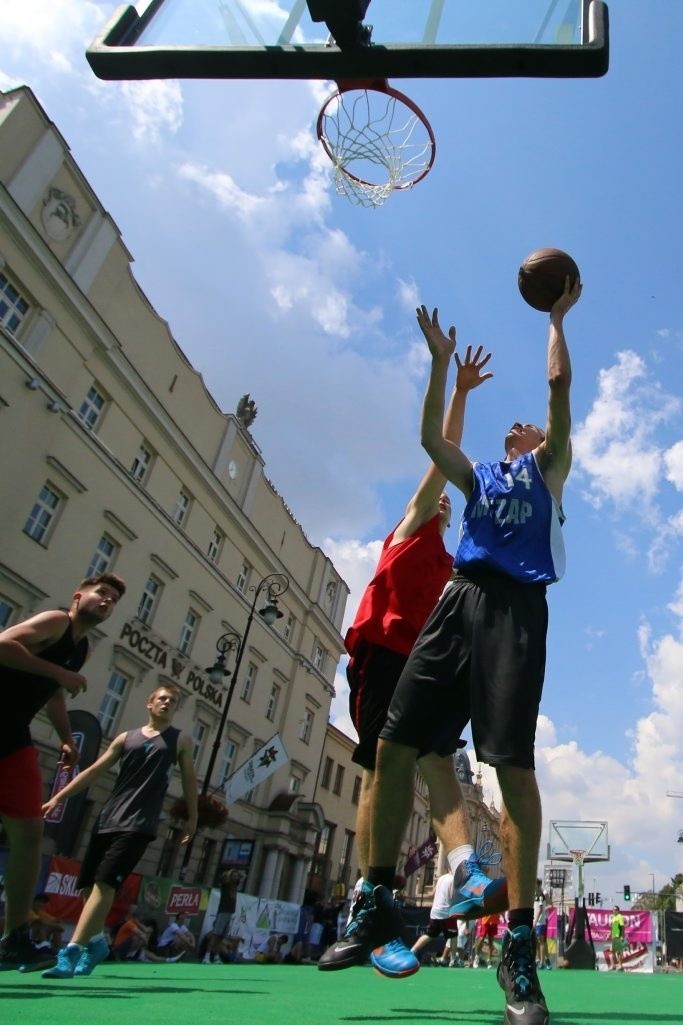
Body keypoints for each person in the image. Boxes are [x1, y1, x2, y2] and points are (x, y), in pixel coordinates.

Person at [319, 278, 581, 1025]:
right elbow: (434, 443)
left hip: (513, 609)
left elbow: (558, 390)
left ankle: (520, 946)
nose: (523, 427)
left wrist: (555, 319)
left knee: (511, 768)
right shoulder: (479, 479)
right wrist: (439, 365)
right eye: (518, 427)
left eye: (531, 428)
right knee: (394, 744)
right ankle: (373, 901)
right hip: (457, 602)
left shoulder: (549, 473)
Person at [344, 344, 493, 890]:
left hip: (420, 664)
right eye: (439, 497)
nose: (444, 501)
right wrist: (455, 384)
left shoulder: (449, 566)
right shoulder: (408, 532)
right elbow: (441, 449)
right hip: (382, 651)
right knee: (382, 768)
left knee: (437, 758)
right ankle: (372, 888)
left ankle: (463, 870)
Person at [0, 572, 125, 973]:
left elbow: (53, 694)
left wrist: (67, 738)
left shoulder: (81, 648)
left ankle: (14, 938)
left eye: (113, 599)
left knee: (30, 831)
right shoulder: (57, 622)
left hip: (13, 734)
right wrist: (60, 674)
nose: (106, 601)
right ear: (78, 596)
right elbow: (3, 644)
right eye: (101, 593)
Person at [40, 683, 198, 980]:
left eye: (173, 702)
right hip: (108, 817)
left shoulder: (181, 741)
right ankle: (98, 943)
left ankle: (71, 952)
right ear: (150, 704)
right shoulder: (126, 738)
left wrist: (193, 816)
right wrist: (59, 796)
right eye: (162, 699)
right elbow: (94, 770)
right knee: (87, 888)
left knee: (104, 885)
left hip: (139, 824)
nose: (167, 704)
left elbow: (190, 780)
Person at [410, 873, 461, 965]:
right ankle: (453, 960)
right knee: (453, 935)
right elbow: (452, 896)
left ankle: (412, 951)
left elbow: (433, 893)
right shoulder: (454, 880)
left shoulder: (441, 878)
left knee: (431, 934)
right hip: (447, 912)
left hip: (435, 911)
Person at [203, 868, 245, 964]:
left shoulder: (235, 885)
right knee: (216, 934)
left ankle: (216, 957)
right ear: (230, 877)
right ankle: (207, 956)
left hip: (230, 912)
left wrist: (238, 873)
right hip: (223, 911)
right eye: (233, 876)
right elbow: (223, 877)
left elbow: (243, 877)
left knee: (221, 937)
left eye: (236, 876)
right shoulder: (226, 884)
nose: (236, 878)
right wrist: (230, 872)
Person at [533, 880, 551, 970]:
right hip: (535, 921)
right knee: (536, 941)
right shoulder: (535, 894)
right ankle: (538, 960)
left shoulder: (541, 894)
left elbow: (542, 909)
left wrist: (535, 921)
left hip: (541, 922)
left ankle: (543, 962)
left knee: (541, 941)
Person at [609, 905, 626, 970]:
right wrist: (610, 934)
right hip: (614, 936)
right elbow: (613, 928)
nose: (614, 910)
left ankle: (620, 966)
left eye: (615, 909)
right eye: (613, 909)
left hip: (618, 936)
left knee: (619, 952)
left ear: (618, 911)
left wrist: (622, 936)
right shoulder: (613, 918)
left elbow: (622, 927)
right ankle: (613, 966)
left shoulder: (620, 917)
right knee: (612, 951)